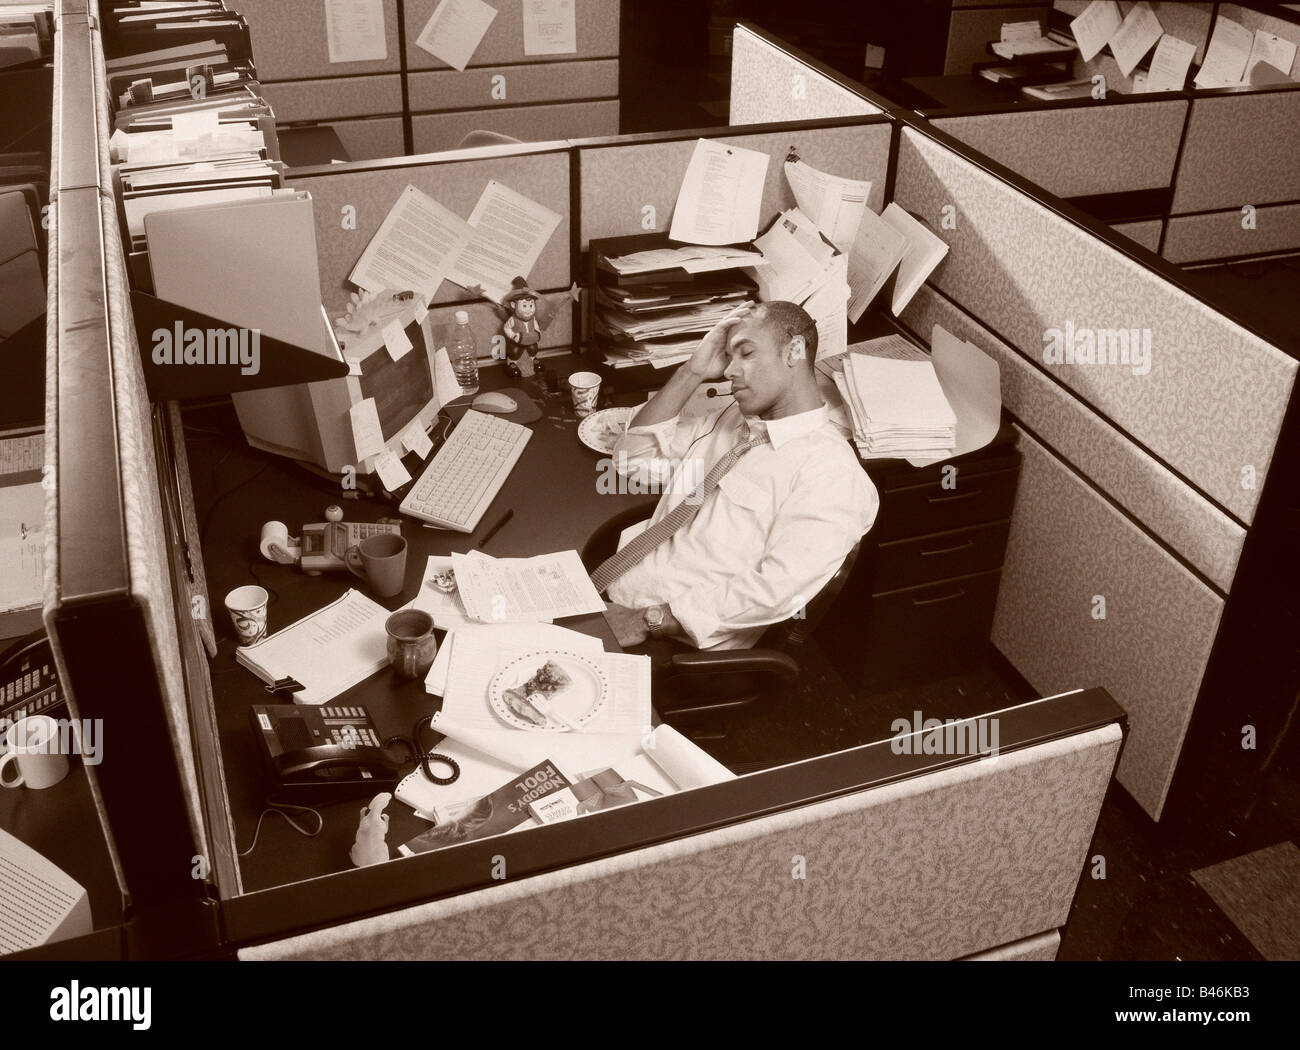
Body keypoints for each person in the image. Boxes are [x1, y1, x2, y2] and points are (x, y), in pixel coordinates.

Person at [597, 300, 878, 651]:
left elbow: (777, 589)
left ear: (795, 350)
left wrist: (651, 619)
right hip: (623, 590)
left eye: (746, 353)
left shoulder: (830, 471)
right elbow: (631, 460)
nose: (729, 371)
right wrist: (692, 370)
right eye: (729, 357)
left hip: (675, 643)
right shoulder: (733, 419)